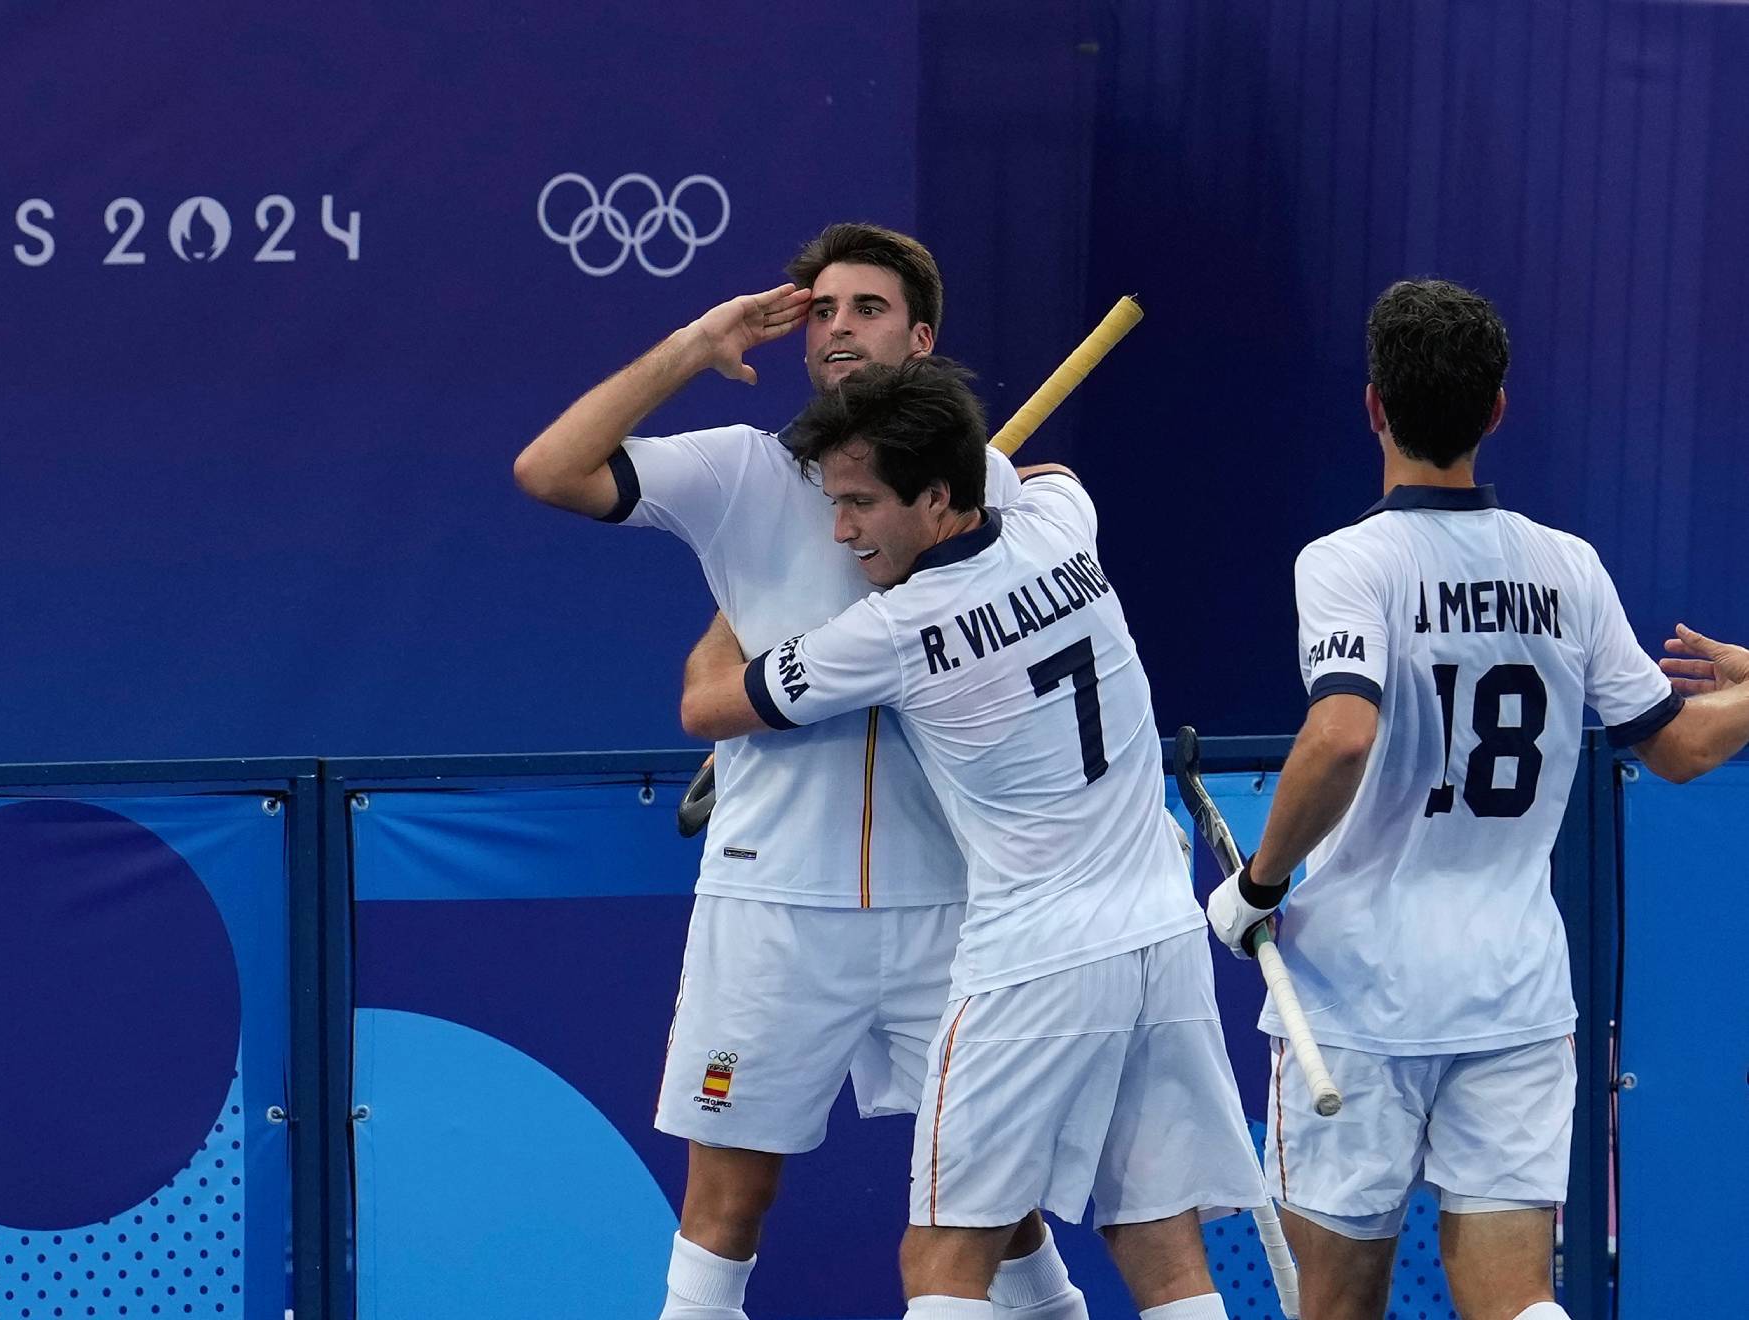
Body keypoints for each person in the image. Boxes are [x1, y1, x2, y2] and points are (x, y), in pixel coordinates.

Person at [514, 226, 1086, 1320]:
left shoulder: (999, 488)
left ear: (921, 339)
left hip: (953, 903)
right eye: (820, 310)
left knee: (999, 1208)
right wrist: (694, 342)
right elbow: (549, 469)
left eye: (867, 308)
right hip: (772, 898)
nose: (837, 328)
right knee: (727, 1204)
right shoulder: (738, 470)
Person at [1203, 278, 1749, 1320]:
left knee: (1337, 1306)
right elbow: (1677, 748)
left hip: (1357, 994)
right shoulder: (1569, 568)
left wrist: (1256, 886)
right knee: (1511, 1302)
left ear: (1373, 405)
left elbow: (1342, 732)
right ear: (1497, 409)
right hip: (1513, 994)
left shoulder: (1345, 564)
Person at [681, 357, 1267, 1320]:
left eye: (862, 504)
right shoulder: (1060, 535)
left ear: (939, 493)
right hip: (1161, 941)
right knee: (1162, 1247)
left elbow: (706, 705)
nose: (839, 531)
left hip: (1031, 962)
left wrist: (747, 604)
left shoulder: (888, 630)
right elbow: (1058, 482)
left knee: (943, 1261)